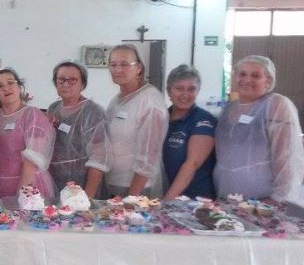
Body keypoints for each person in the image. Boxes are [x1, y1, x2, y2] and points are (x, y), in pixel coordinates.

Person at [214, 55, 304, 202]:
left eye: (255, 75)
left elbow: (285, 156)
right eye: (242, 74)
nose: (247, 80)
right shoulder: (228, 108)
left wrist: (279, 198)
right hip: (226, 194)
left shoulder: (275, 105)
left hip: (263, 200)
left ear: (268, 81)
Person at [104, 43, 168, 197]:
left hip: (137, 189)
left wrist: (132, 198)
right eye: (113, 64)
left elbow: (149, 156)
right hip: (113, 183)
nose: (117, 70)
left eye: (124, 64)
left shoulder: (150, 100)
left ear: (139, 67)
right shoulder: (116, 100)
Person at [46, 60, 109, 198]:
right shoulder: (53, 108)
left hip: (83, 187)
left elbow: (99, 159)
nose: (66, 84)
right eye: (61, 79)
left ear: (82, 84)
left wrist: (87, 198)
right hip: (55, 182)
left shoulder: (93, 112)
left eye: (72, 80)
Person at [0, 67, 55, 199]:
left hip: (30, 188)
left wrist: (21, 196)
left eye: (10, 82)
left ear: (20, 87)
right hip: (2, 188)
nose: (6, 88)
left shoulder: (32, 115)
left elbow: (32, 161)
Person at [162, 64, 216, 200]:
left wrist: (166, 201)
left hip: (195, 201)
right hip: (164, 193)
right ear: (169, 91)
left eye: (191, 89)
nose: (185, 94)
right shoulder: (162, 117)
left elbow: (192, 164)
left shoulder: (203, 120)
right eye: (179, 88)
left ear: (198, 91)